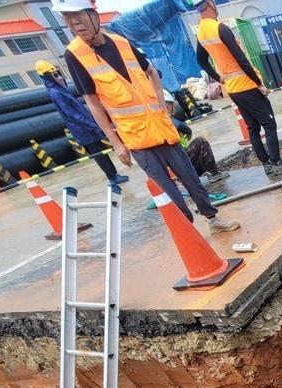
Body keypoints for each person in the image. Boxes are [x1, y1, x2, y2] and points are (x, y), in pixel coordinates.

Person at [55, 0, 239, 233]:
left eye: (78, 15)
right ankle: (189, 234)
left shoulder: (121, 43)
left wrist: (161, 107)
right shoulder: (74, 55)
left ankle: (213, 219)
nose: (74, 22)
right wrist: (116, 144)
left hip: (162, 127)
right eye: (67, 18)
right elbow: (92, 101)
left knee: (191, 178)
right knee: (168, 191)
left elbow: (150, 71)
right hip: (136, 137)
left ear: (93, 14)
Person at [193, 0, 282, 178]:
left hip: (233, 89)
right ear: (210, 4)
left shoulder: (201, 32)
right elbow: (242, 60)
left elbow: (201, 60)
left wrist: (218, 78)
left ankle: (266, 165)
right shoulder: (220, 28)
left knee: (252, 127)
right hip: (246, 85)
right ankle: (276, 162)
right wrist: (259, 84)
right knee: (269, 124)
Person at [34, 59, 128, 185]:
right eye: (54, 74)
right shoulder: (56, 92)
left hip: (85, 126)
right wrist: (92, 125)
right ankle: (112, 177)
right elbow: (71, 114)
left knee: (101, 152)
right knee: (98, 153)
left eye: (57, 73)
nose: (58, 76)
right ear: (47, 76)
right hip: (83, 129)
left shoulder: (60, 89)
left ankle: (114, 175)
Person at [164, 91, 229, 185]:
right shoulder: (165, 119)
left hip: (178, 166)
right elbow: (177, 125)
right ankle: (214, 174)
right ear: (168, 105)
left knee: (195, 149)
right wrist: (186, 130)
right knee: (201, 142)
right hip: (181, 164)